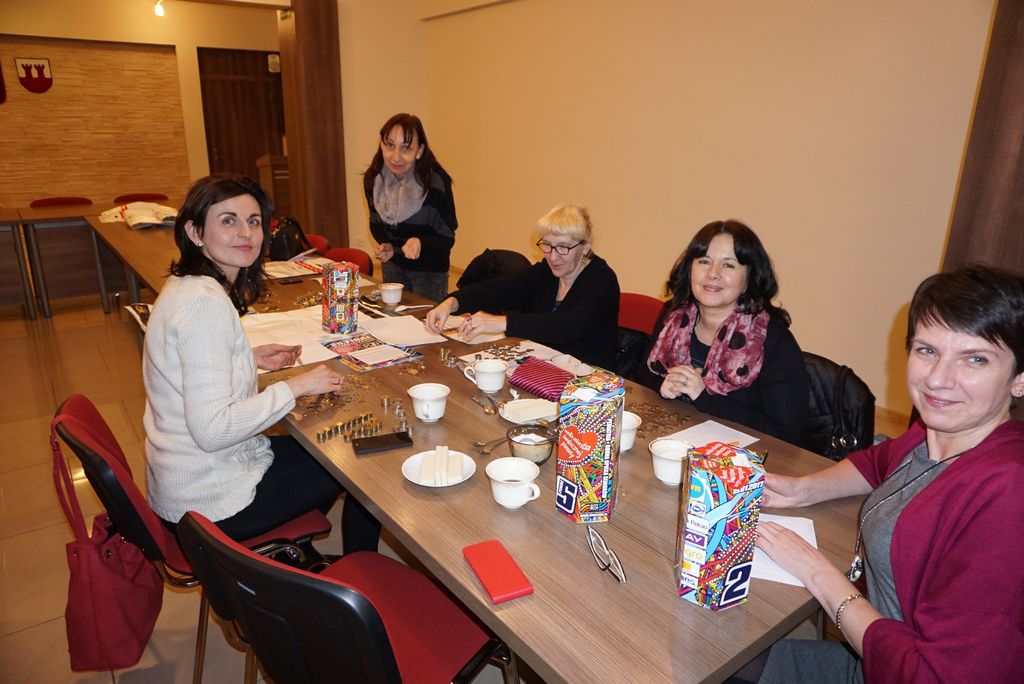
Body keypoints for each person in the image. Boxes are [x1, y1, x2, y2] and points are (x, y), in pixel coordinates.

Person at [745, 265, 1024, 683]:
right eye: (927, 350)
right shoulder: (935, 433)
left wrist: (817, 572)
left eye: (975, 359)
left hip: (899, 669)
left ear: (1019, 379)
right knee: (708, 652)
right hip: (873, 659)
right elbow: (879, 462)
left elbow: (929, 675)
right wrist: (802, 490)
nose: (938, 380)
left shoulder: (1008, 493)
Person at [143, 174, 379, 554]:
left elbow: (187, 368)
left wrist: (246, 359)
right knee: (355, 463)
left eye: (253, 221)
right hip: (209, 503)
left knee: (323, 449)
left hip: (184, 482)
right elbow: (213, 430)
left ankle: (289, 548)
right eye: (228, 220)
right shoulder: (205, 306)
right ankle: (353, 571)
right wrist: (297, 386)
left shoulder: (187, 285)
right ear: (195, 231)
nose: (245, 233)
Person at [636, 220, 808, 443]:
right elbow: (644, 374)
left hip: (742, 457)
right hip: (675, 442)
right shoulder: (674, 317)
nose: (712, 273)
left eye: (728, 265)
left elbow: (787, 435)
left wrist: (705, 397)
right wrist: (662, 385)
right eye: (704, 261)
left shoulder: (771, 339)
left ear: (749, 279)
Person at [425, 204, 620, 369]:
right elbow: (498, 290)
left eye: (563, 247)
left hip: (589, 377)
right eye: (547, 245)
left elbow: (569, 326)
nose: (553, 256)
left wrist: (503, 322)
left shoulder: (602, 280)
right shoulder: (546, 272)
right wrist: (452, 302)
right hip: (545, 365)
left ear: (585, 246)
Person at [364, 112, 456, 302]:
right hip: (393, 265)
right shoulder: (374, 180)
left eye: (406, 148)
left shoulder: (435, 184)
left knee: (426, 319)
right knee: (392, 316)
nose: (396, 157)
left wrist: (421, 242)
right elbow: (375, 223)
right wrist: (386, 243)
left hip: (429, 272)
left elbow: (447, 237)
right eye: (390, 146)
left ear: (419, 151)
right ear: (381, 145)